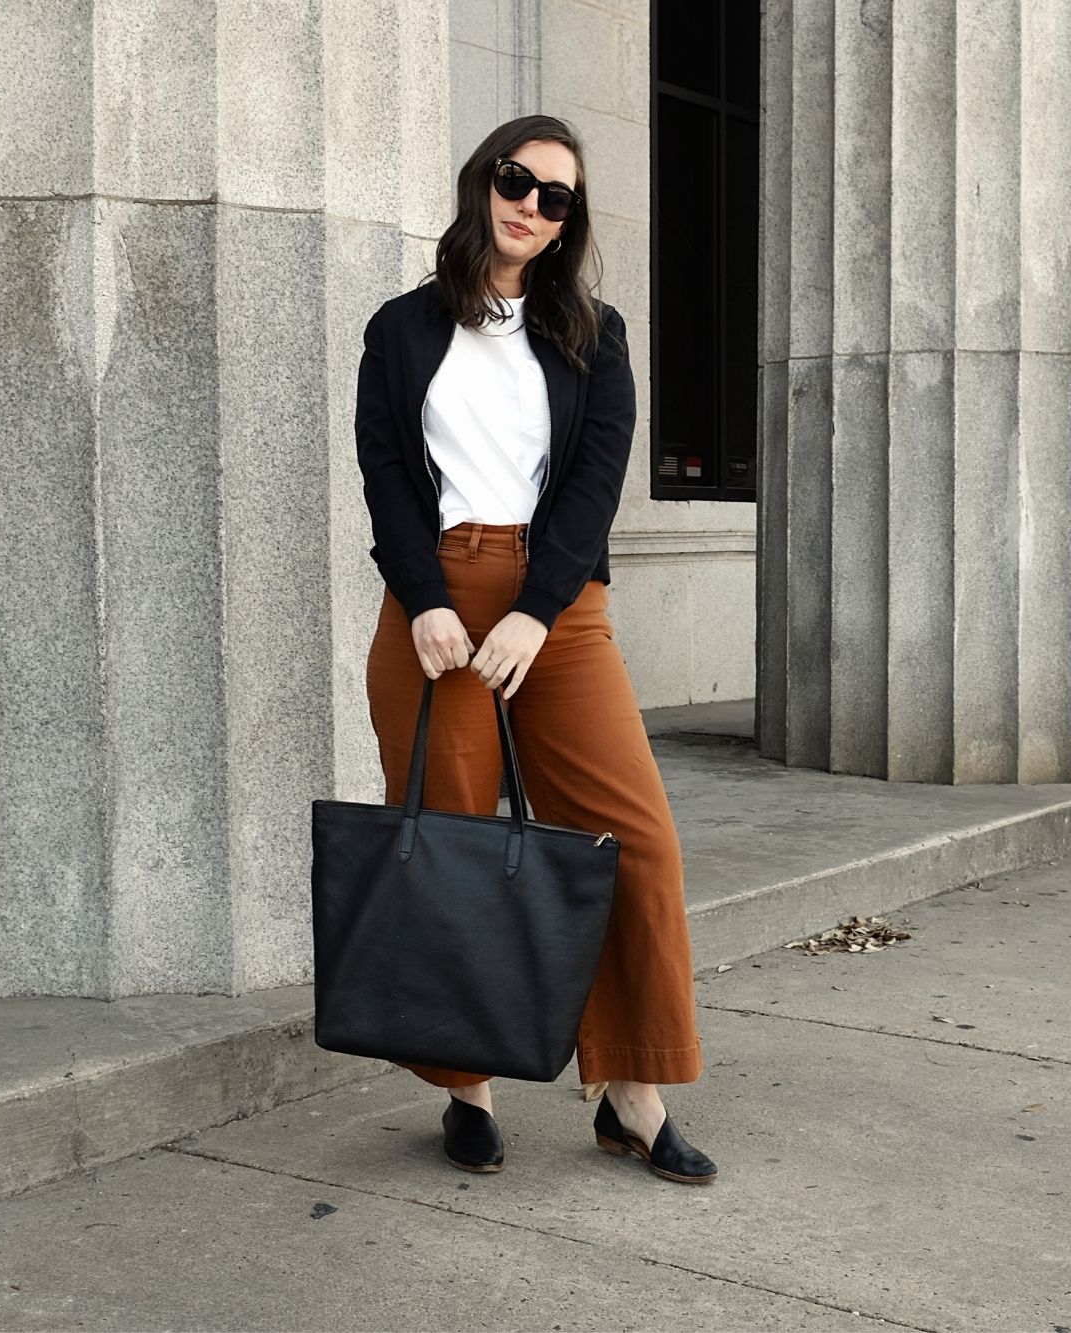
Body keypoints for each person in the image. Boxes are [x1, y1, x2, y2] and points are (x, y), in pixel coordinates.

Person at [353, 114, 716, 1186]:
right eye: (518, 180)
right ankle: (466, 1088)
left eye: (556, 198)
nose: (531, 205)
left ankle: (632, 1094)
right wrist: (422, 597)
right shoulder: (400, 330)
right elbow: (382, 476)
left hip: (556, 608)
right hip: (432, 606)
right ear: (483, 182)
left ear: (566, 226)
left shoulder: (593, 338)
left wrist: (535, 610)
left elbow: (595, 487)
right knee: (454, 845)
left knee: (635, 838)